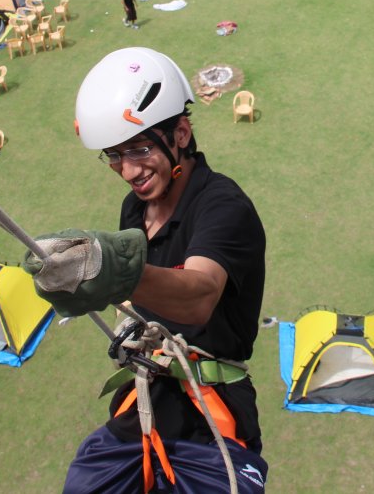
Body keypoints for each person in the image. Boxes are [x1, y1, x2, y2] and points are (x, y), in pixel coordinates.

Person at [25, 47, 267, 493]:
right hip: (147, 395)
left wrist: (116, 272)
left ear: (180, 132)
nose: (128, 171)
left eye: (138, 149)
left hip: (211, 414)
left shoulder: (223, 207)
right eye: (114, 155)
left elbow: (199, 294)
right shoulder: (134, 210)